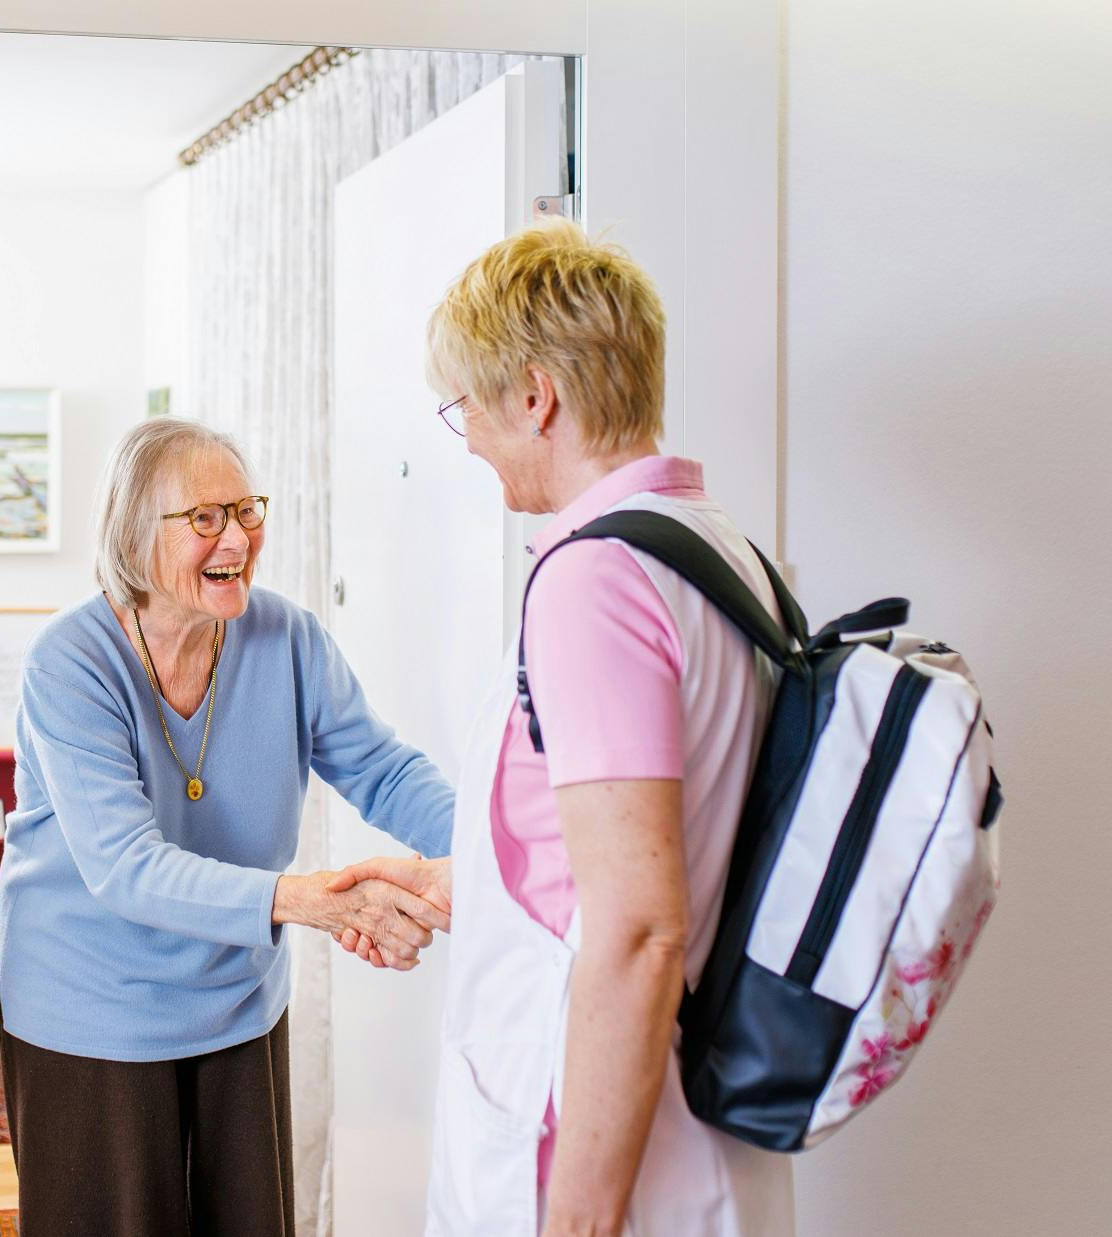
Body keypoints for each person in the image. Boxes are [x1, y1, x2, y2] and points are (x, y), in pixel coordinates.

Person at [337, 220, 795, 1235]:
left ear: (534, 396)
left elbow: (638, 925)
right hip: (694, 1128)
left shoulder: (594, 578)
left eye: (466, 411)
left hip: (591, 1157)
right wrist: (475, 884)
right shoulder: (721, 555)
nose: (471, 445)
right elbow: (660, 846)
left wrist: (576, 1217)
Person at [0, 416, 454, 1236]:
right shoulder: (70, 662)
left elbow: (383, 770)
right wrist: (313, 899)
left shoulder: (287, 638)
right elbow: (125, 866)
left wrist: (489, 858)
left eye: (246, 510)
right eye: (205, 517)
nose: (236, 534)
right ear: (137, 534)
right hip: (91, 1008)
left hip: (235, 1000)